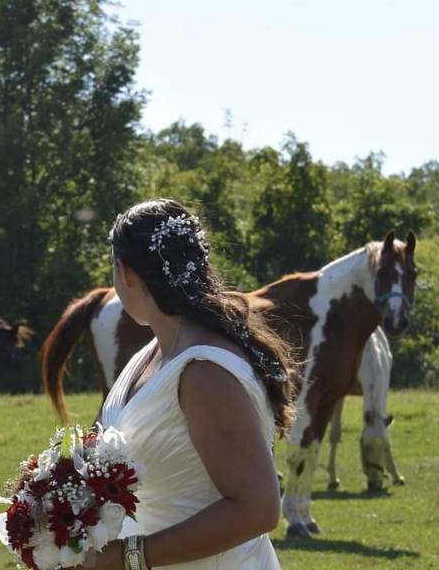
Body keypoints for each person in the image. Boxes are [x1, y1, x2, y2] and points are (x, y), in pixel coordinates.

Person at [79, 198, 295, 570]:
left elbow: (258, 509)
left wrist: (130, 557)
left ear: (126, 272)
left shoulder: (205, 373)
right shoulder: (150, 354)